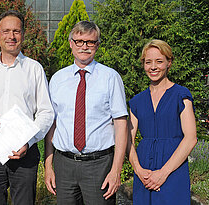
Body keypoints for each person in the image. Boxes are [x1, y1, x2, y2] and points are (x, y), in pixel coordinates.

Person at [0, 10, 54, 205]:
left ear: (22, 35)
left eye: (16, 31)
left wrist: (29, 141)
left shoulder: (34, 69)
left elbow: (46, 112)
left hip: (25, 152)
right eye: (6, 31)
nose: (11, 36)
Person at [44, 21, 128, 204]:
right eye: (79, 41)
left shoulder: (110, 77)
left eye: (90, 42)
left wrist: (116, 171)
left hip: (99, 165)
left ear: (97, 45)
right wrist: (48, 166)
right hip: (64, 165)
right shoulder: (57, 79)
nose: (84, 46)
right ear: (71, 43)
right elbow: (52, 124)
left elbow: (121, 124)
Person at [127, 39, 197, 204]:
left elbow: (190, 138)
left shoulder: (181, 95)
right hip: (143, 172)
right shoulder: (136, 101)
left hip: (173, 169)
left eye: (159, 61)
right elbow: (127, 139)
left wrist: (163, 173)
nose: (153, 67)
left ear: (169, 63)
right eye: (148, 62)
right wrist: (138, 170)